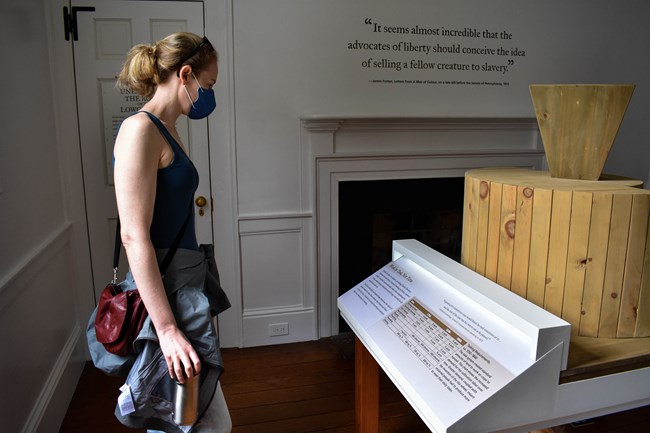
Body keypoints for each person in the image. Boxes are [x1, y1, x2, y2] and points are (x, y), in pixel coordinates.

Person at [110, 32, 231, 433]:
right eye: (208, 85)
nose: (208, 95)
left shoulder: (166, 129)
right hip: (167, 292)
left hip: (185, 282)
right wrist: (165, 330)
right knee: (184, 416)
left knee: (185, 414)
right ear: (186, 75)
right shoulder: (139, 130)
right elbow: (133, 236)